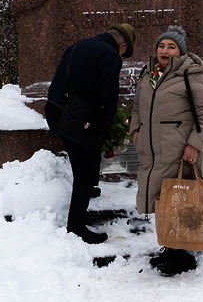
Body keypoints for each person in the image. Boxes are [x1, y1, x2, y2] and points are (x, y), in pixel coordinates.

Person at [129, 25, 203, 276]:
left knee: (179, 198)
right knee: (161, 198)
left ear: (180, 51)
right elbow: (137, 106)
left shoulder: (191, 74)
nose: (164, 50)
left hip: (178, 149)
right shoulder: (150, 74)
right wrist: (136, 130)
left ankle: (182, 254)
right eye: (161, 46)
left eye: (171, 46)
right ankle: (171, 246)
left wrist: (195, 144)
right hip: (152, 150)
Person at [45, 23, 137, 244]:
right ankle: (76, 226)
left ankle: (89, 190)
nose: (122, 56)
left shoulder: (79, 45)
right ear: (122, 44)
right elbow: (108, 96)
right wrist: (109, 125)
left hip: (56, 111)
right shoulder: (110, 54)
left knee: (86, 154)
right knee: (84, 171)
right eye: (125, 52)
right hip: (77, 119)